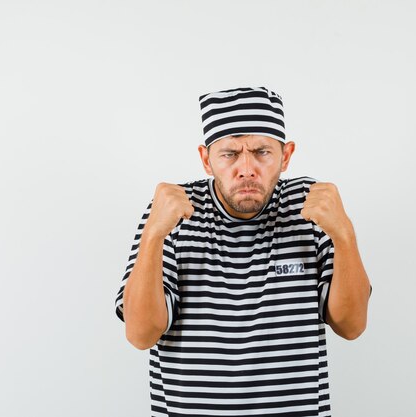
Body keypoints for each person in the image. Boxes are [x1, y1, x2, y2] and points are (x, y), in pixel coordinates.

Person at [114, 86, 372, 417]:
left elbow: (351, 326)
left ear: (286, 155)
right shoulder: (171, 211)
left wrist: (344, 234)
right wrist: (153, 235)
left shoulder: (311, 206)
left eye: (262, 152)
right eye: (230, 154)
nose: (247, 168)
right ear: (207, 160)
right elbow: (140, 334)